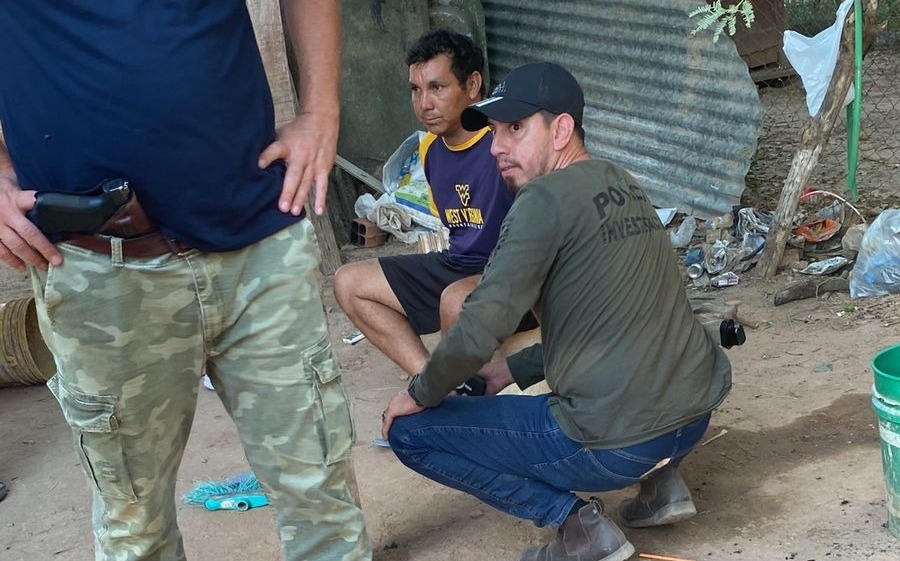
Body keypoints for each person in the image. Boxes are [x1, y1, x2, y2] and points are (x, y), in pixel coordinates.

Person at [0, 2, 370, 561]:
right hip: (97, 265)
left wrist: (321, 108)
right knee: (136, 530)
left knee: (321, 498)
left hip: (258, 240)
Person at [380, 62, 732, 561]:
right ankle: (663, 487)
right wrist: (509, 369)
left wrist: (421, 390)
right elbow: (617, 322)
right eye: (495, 132)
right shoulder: (620, 181)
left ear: (561, 129)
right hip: (694, 416)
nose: (497, 146)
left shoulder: (541, 199)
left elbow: (482, 321)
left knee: (409, 433)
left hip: (619, 443)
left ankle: (576, 527)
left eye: (516, 129)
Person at [333, 29, 520, 377]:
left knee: (455, 298)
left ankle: (455, 401)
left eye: (437, 87)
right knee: (349, 281)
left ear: (473, 85)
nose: (424, 104)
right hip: (457, 264)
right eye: (416, 90)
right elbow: (456, 234)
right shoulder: (432, 152)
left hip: (509, 272)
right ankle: (432, 382)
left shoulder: (502, 145)